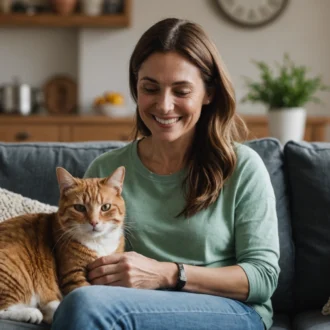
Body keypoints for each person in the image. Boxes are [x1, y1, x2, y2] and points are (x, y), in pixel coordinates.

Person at [52, 18, 279, 330]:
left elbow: (263, 277)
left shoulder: (242, 167)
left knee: (84, 306)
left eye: (181, 90)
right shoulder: (105, 171)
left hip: (232, 310)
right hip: (131, 306)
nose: (164, 105)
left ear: (208, 93)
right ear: (136, 88)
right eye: (150, 88)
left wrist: (168, 273)